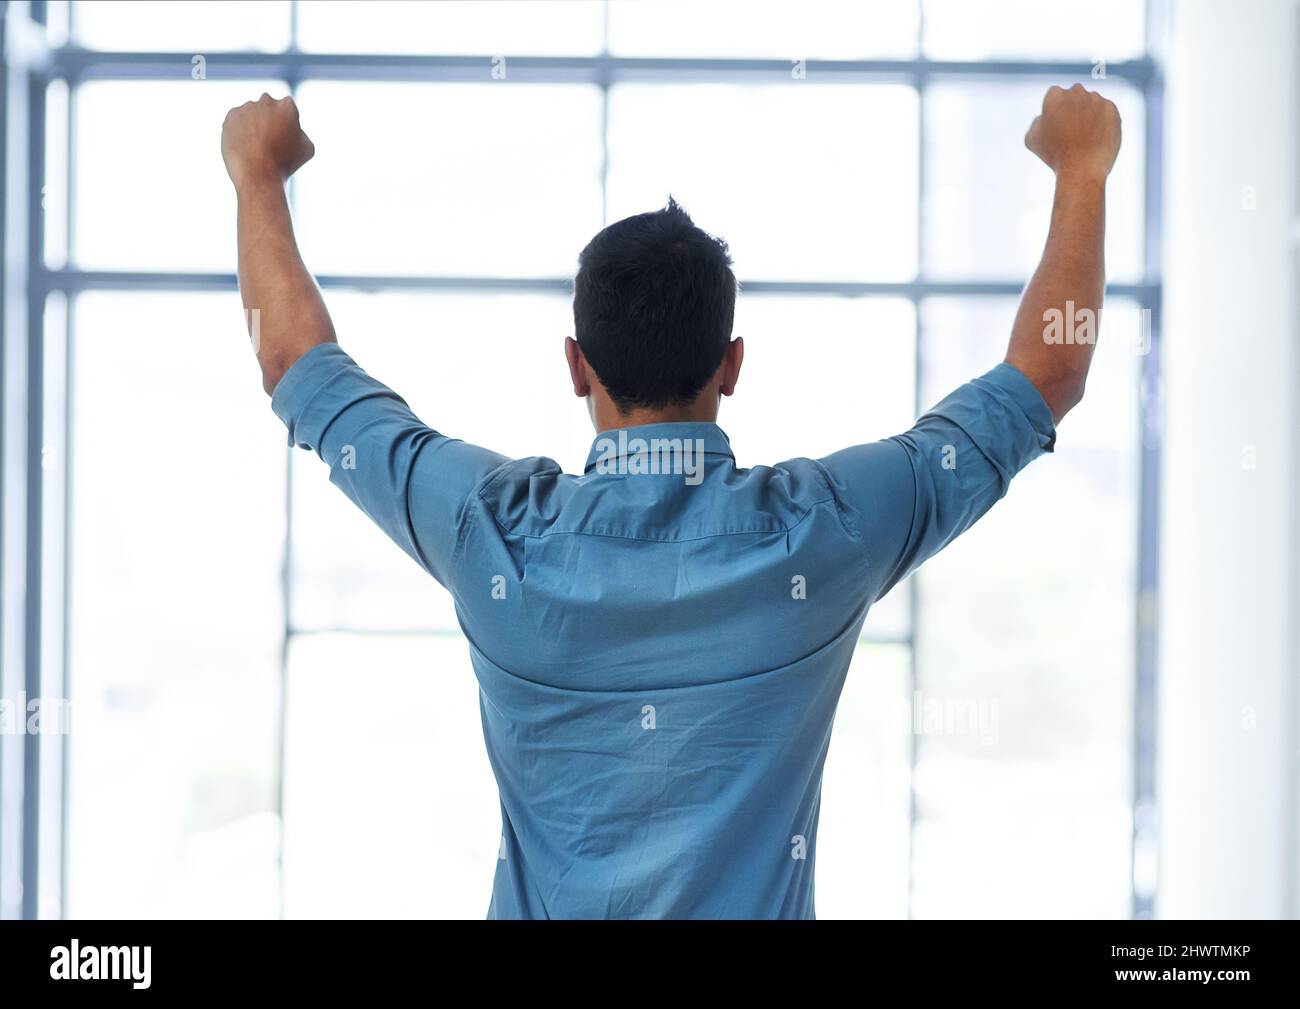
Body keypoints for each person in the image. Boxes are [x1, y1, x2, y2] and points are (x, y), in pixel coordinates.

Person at [221, 83, 1121, 919]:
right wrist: (1082, 170)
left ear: (576, 365)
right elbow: (1049, 373)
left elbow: (297, 368)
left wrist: (256, 177)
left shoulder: (490, 530)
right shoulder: (827, 532)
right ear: (732, 363)